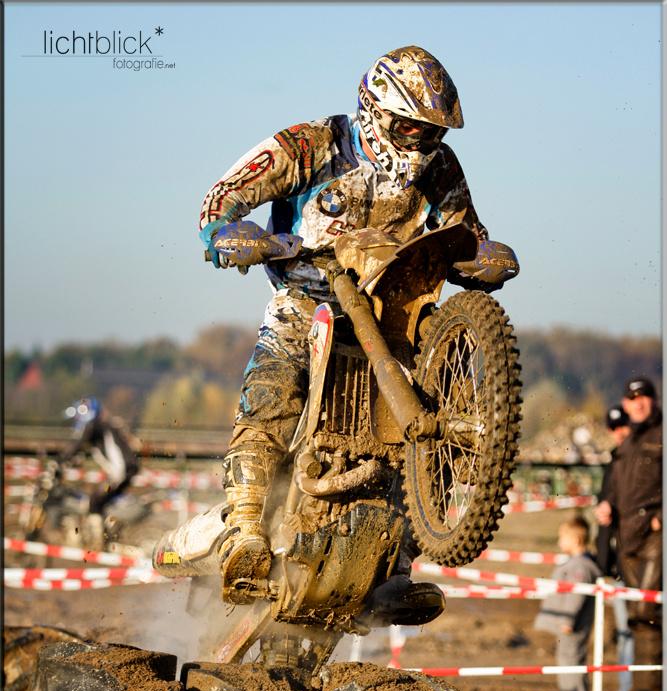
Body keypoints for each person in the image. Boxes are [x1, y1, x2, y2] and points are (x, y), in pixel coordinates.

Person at [152, 45, 518, 622]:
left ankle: (399, 560)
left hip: (393, 310)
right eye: (409, 128)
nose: (420, 143)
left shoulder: (441, 169)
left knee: (424, 410)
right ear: (374, 110)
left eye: (431, 132)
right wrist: (230, 233)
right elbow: (220, 199)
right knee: (274, 388)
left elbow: (464, 232)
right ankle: (245, 526)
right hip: (309, 292)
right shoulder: (311, 145)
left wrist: (482, 255)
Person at [595, 377, 662, 691]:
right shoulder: (628, 443)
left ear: (653, 399)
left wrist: (661, 517)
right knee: (636, 620)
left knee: (646, 615)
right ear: (625, 402)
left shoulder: (661, 436)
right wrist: (606, 504)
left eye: (644, 396)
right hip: (627, 540)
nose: (639, 402)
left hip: (654, 538)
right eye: (632, 397)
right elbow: (616, 487)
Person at [534, 515, 602, 691]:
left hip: (571, 624)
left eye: (562, 537)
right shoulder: (577, 564)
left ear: (576, 540)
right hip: (570, 623)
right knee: (568, 656)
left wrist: (568, 620)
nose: (559, 541)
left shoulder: (579, 566)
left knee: (570, 657)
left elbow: (576, 596)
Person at [59, 397, 140, 543]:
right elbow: (83, 451)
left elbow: (77, 444)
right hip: (123, 471)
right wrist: (70, 462)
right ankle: (109, 532)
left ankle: (98, 540)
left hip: (119, 472)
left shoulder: (94, 428)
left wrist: (60, 460)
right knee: (102, 501)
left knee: (94, 502)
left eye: (77, 418)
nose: (76, 423)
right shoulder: (101, 429)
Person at [595, 404, 634, 691]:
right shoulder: (613, 465)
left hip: (639, 559)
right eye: (615, 428)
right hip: (619, 563)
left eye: (625, 426)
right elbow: (604, 515)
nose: (621, 432)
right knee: (625, 631)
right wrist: (603, 563)